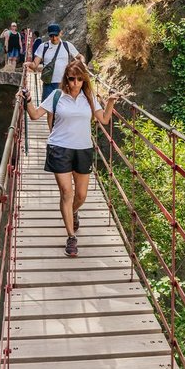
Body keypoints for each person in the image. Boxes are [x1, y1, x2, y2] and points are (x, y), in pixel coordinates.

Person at [20, 60, 117, 257]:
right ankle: (71, 237)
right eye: (72, 79)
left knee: (81, 196)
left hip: (83, 149)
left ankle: (72, 212)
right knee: (67, 192)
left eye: (79, 79)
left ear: (84, 80)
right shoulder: (57, 96)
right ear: (66, 78)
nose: (75, 83)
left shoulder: (88, 98)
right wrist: (28, 99)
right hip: (59, 148)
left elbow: (105, 120)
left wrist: (111, 101)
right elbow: (34, 115)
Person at [28, 22, 79, 102]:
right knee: (49, 109)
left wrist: (82, 62)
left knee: (63, 109)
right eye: (51, 36)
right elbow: (34, 65)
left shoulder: (67, 45)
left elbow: (79, 57)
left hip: (64, 83)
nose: (54, 38)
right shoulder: (43, 47)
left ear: (60, 33)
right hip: (48, 84)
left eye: (56, 35)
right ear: (48, 35)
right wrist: (28, 64)